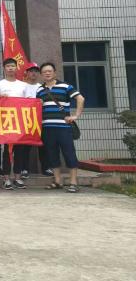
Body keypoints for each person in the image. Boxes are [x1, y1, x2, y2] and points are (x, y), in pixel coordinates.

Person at [37, 62, 85, 193]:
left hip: (63, 127)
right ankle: (57, 181)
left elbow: (80, 99)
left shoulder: (65, 86)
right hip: (47, 127)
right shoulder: (40, 90)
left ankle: (73, 183)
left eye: (49, 71)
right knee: (52, 155)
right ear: (41, 74)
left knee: (69, 153)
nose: (47, 73)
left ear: (54, 72)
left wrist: (76, 115)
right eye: (44, 72)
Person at [0, 58, 32, 190]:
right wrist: (0, 96)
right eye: (8, 66)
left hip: (20, 121)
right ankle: (6, 178)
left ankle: (17, 177)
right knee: (7, 150)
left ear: (16, 68)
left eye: (12, 66)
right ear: (4, 68)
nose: (10, 68)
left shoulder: (23, 85)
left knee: (20, 150)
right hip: (5, 121)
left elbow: (29, 101)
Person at [24, 62, 53, 177]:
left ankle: (46, 168)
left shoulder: (42, 88)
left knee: (43, 145)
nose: (33, 73)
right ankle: (24, 168)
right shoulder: (21, 86)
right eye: (31, 71)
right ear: (26, 73)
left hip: (41, 121)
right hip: (26, 121)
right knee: (25, 146)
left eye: (36, 71)